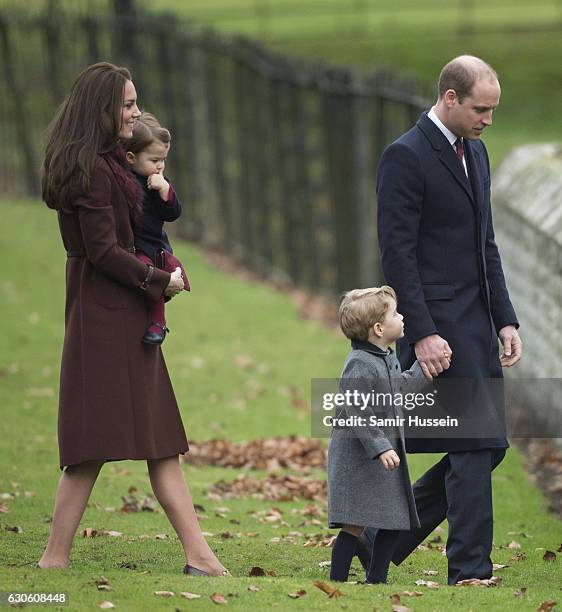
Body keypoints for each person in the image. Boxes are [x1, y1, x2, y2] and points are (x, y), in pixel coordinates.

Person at [40, 62, 228, 577]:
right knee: (93, 442)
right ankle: (54, 559)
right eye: (127, 104)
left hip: (118, 311)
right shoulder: (94, 172)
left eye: (135, 101)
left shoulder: (106, 164)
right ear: (100, 110)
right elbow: (103, 251)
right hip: (106, 315)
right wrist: (157, 281)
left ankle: (200, 556)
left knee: (158, 437)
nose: (136, 111)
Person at [363, 55, 522, 585]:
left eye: (493, 110)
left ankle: (378, 540)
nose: (488, 120)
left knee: (487, 444)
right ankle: (470, 570)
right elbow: (397, 255)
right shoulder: (404, 157)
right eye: (481, 109)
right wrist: (425, 333)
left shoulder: (475, 153)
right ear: (449, 98)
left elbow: (487, 245)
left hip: (478, 324)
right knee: (475, 443)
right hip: (437, 326)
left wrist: (506, 318)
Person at [327, 287, 450, 583]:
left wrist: (425, 369)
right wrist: (381, 447)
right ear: (379, 328)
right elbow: (356, 410)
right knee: (354, 524)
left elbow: (400, 390)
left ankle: (377, 581)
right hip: (358, 459)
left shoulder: (385, 357)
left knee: (393, 521)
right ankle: (337, 581)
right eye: (395, 313)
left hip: (383, 460)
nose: (402, 316)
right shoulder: (359, 364)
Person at [124, 111, 190, 345]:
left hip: (152, 246)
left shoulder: (158, 183)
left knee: (151, 271)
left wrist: (165, 191)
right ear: (131, 157)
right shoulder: (122, 180)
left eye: (163, 160)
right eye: (154, 161)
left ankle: (158, 322)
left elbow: (173, 213)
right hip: (132, 243)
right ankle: (151, 320)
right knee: (141, 268)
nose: (160, 166)